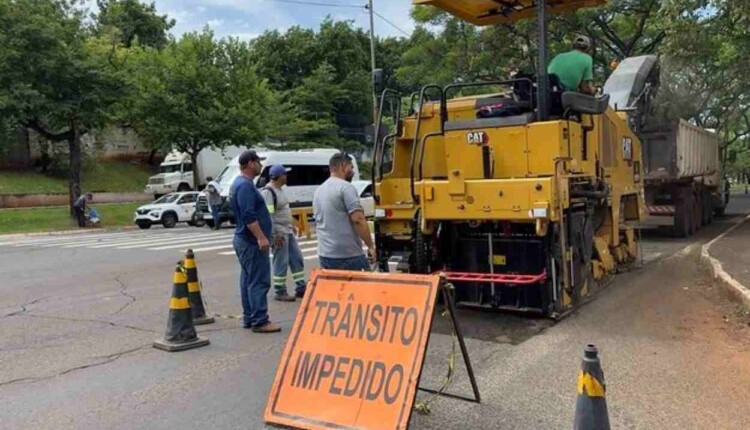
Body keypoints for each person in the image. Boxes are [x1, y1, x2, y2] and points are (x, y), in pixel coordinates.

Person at [229, 150, 280, 333]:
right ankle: (260, 320)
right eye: (258, 161)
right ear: (251, 163)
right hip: (250, 241)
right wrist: (261, 237)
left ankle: (250, 317)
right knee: (259, 281)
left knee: (248, 279)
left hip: (245, 240)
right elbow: (248, 215)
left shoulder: (242, 184)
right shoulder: (244, 186)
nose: (261, 165)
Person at [313, 152, 375, 271]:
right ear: (343, 166)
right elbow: (358, 220)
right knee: (359, 288)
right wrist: (371, 246)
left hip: (325, 255)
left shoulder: (319, 190)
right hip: (347, 255)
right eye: (351, 167)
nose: (353, 171)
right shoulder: (346, 187)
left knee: (335, 289)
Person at [261, 165, 306, 302]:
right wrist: (274, 235)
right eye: (284, 175)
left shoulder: (280, 190)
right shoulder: (269, 192)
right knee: (281, 261)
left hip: (287, 230)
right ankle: (280, 290)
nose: (286, 177)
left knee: (296, 258)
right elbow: (268, 215)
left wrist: (291, 225)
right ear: (278, 176)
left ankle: (301, 287)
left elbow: (283, 211)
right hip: (279, 232)